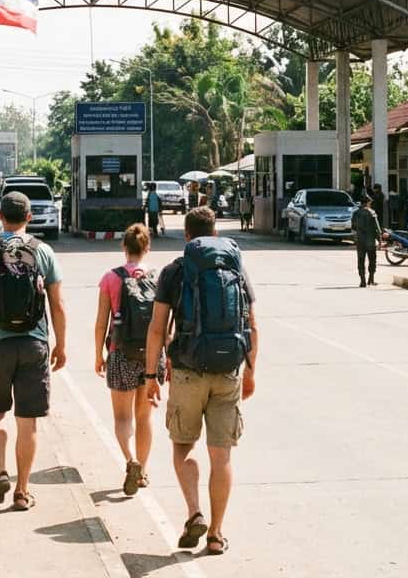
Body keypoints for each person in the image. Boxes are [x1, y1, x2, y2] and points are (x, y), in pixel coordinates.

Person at [145, 207, 258, 556]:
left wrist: (151, 375)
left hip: (187, 370)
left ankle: (194, 512)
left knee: (182, 446)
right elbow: (252, 324)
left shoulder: (175, 271)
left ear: (187, 236)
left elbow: (157, 328)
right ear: (215, 232)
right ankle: (216, 533)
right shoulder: (235, 267)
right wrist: (251, 370)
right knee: (221, 456)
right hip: (228, 371)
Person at [0, 192, 68, 511]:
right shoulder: (43, 251)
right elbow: (57, 304)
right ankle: (22, 491)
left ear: (0, 216)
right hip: (34, 343)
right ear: (30, 218)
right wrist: (61, 343)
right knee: (28, 421)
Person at [94, 223, 162, 496]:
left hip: (120, 352)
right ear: (147, 248)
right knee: (144, 416)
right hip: (151, 356)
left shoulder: (111, 278)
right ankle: (143, 470)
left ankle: (130, 460)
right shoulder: (159, 278)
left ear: (124, 247)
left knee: (122, 417)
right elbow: (165, 323)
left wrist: (98, 353)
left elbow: (102, 322)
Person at [351, 196, 384, 287]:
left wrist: (356, 237)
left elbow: (353, 227)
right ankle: (371, 279)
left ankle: (362, 281)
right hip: (370, 240)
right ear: (368, 203)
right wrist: (380, 240)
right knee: (372, 260)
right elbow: (377, 228)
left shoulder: (356, 213)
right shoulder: (372, 212)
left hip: (360, 240)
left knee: (361, 260)